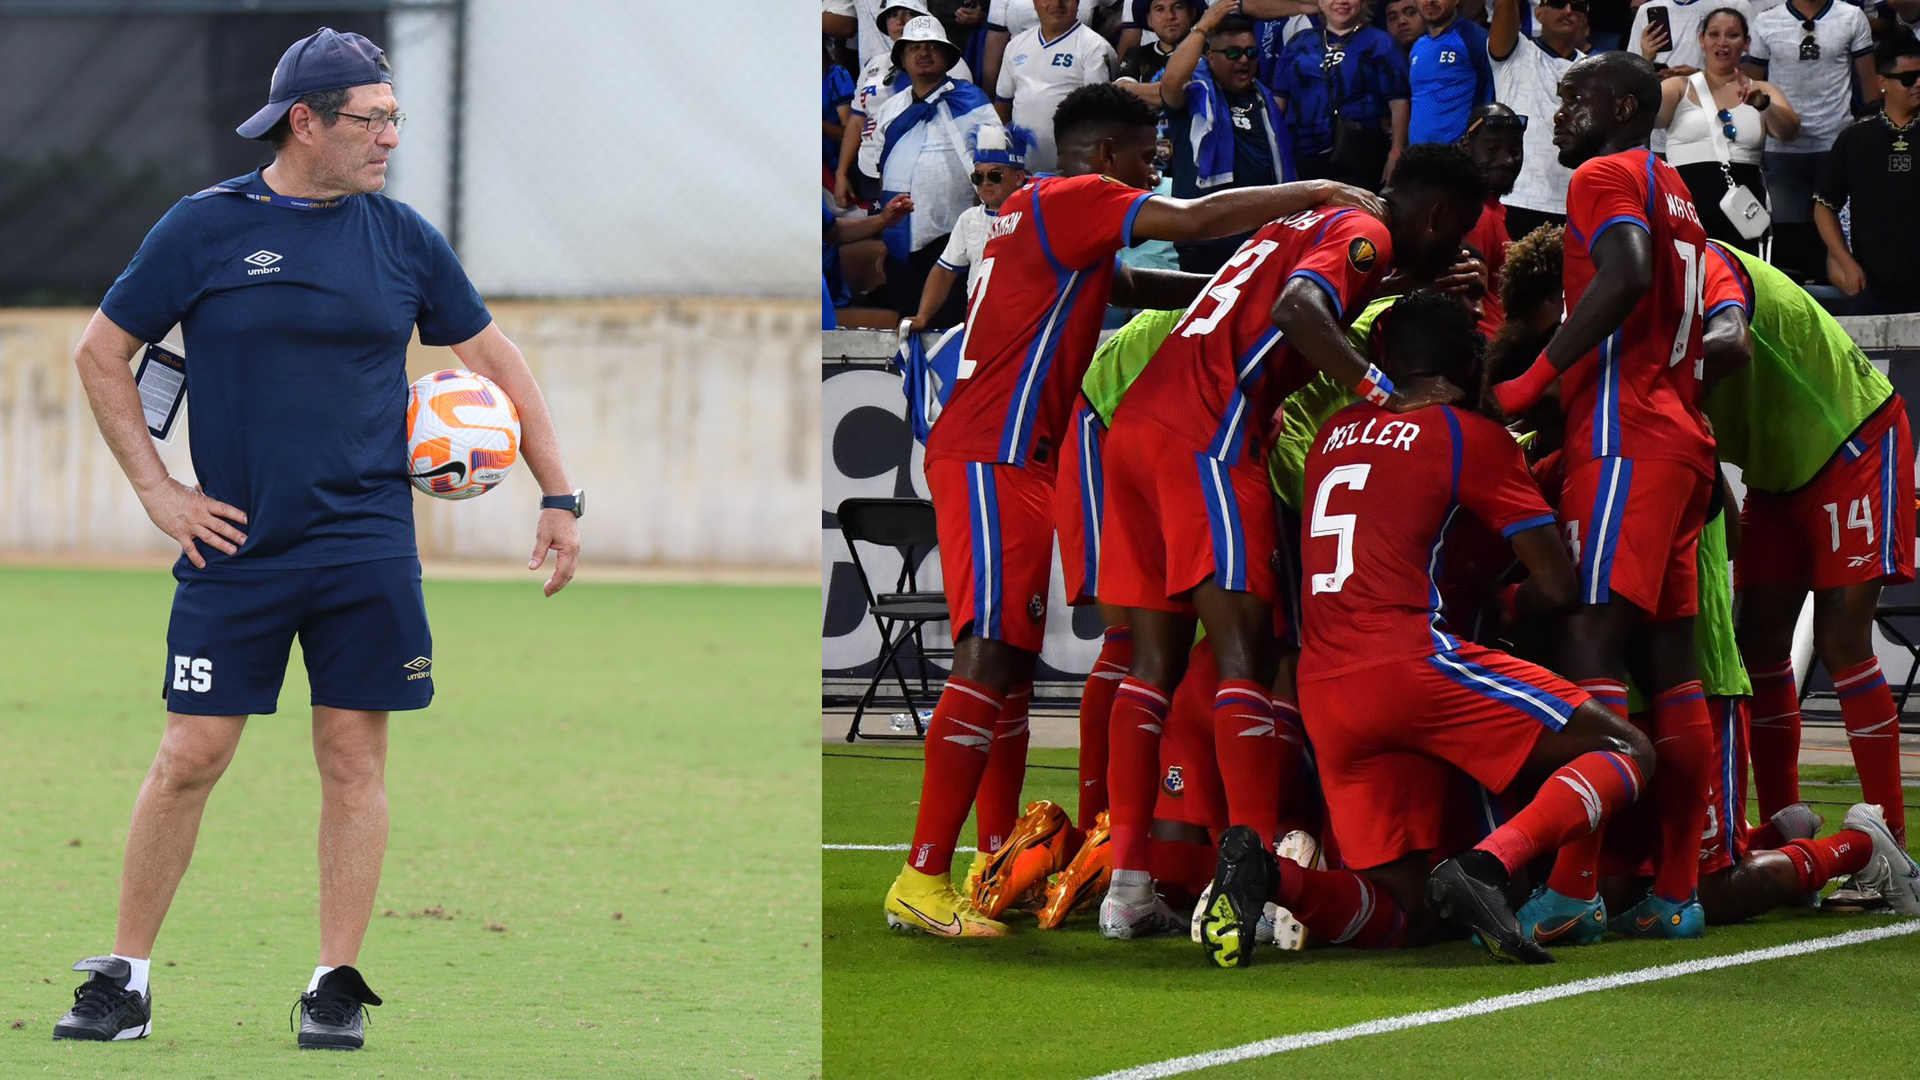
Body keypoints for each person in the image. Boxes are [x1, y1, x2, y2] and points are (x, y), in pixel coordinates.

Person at [50, 28, 582, 1050]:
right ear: (307, 122)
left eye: (395, 119)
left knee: (352, 759)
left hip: (368, 547)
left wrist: (562, 493)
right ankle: (126, 979)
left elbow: (493, 354)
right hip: (235, 549)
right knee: (189, 754)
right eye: (371, 120)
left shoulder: (402, 237)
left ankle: (334, 983)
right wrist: (161, 491)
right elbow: (100, 352)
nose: (390, 138)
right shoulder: (203, 227)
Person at [880, 83, 1384, 938]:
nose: (1155, 167)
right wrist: (1315, 195)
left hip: (1011, 454)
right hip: (995, 452)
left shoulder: (1037, 220)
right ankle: (920, 878)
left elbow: (1150, 281)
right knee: (990, 654)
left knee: (1011, 659)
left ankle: (991, 851)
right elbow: (1190, 222)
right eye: (1147, 154)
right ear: (1108, 154)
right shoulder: (1076, 198)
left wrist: (1241, 282)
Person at [1098, 144, 1485, 958]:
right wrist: (1386, 395)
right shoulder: (1367, 233)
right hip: (1210, 436)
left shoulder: (1307, 220)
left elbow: (1281, 295)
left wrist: (1401, 289)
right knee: (1249, 658)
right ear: (1441, 217)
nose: (1447, 257)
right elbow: (1300, 311)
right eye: (1451, 243)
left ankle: (1127, 888)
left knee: (1150, 668)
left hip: (1138, 431)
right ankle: (1258, 873)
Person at [1266, 289, 1657, 967]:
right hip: (1412, 664)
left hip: (1324, 689)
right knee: (1629, 751)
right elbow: (1558, 585)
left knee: (1404, 914)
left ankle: (1273, 878)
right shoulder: (1467, 436)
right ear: (1471, 362)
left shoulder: (1333, 434)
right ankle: (1489, 866)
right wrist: (1507, 603)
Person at [1491, 51, 1717, 938]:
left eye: (1574, 98)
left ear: (1624, 104)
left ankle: (1576, 887)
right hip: (1682, 438)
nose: (1560, 114)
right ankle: (1677, 893)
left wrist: (1532, 380)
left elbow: (1621, 276)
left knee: (1588, 640)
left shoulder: (1604, 173)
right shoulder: (1678, 191)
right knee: (1672, 671)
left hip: (1625, 439)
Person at [1693, 236, 1914, 847]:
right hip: (1775, 470)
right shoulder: (1632, 301)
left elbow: (1730, 342)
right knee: (1758, 642)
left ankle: (1890, 843)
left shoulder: (1707, 262)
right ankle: (1788, 826)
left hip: (1853, 436)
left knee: (1844, 639)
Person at [867, 18, 1002, 319]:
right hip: (901, 243)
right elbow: (884, 170)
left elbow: (998, 165)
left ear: (947, 57)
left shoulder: (971, 101)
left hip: (954, 237)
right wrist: (884, 234)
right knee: (906, 325)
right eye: (914, 47)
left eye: (932, 47)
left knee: (952, 325)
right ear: (902, 58)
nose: (923, 53)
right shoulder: (890, 109)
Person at [1160, 7, 1300, 274]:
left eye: (1250, 52)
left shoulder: (1265, 101)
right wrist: (1203, 27)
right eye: (1233, 53)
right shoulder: (1194, 99)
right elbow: (1171, 81)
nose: (1244, 60)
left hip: (1259, 242)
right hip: (1204, 244)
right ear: (1211, 58)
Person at [1746, 0, 1877, 284]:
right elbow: (1750, 89)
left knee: (1837, 238)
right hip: (1781, 146)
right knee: (1787, 242)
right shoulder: (1766, 22)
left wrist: (1871, 138)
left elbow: (1869, 86)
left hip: (1837, 143)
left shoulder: (1851, 16)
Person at [1655, 9, 1799, 253]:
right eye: (1714, 34)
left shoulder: (1762, 89)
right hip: (1686, 207)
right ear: (1702, 40)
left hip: (1744, 209)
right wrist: (1647, 65)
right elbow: (1645, 117)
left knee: (1741, 284)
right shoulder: (1678, 86)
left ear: (1746, 43)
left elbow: (1789, 132)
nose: (1722, 43)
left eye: (1733, 35)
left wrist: (1762, 104)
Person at [1814, 31, 1920, 315]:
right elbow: (1824, 207)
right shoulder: (1855, 140)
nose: (1918, 84)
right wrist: (1846, 262)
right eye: (1908, 78)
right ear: (1882, 82)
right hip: (1873, 285)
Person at [836, 1, 980, 209]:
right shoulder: (873, 64)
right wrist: (841, 173)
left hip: (921, 175)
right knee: (881, 234)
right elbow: (857, 120)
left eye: (909, 13)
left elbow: (964, 130)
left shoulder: (952, 65)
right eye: (893, 15)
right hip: (868, 170)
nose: (901, 21)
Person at [1269, 0, 1411, 187]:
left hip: (1360, 155)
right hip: (1302, 155)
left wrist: (1397, 151)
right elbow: (1278, 102)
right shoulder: (1298, 43)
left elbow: (1399, 100)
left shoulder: (1381, 42)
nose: (1342, 1)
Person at [907, 125, 1032, 330]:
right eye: (978, 177)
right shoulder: (969, 220)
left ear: (1018, 177)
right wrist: (922, 317)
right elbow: (944, 271)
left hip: (1028, 328)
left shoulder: (1038, 214)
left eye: (994, 176)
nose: (985, 183)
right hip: (980, 329)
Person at [1489, 0, 1584, 240]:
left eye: (1579, 6)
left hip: (1574, 205)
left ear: (1585, 21)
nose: (1569, 10)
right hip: (1518, 198)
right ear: (1538, 14)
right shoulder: (1517, 51)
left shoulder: (1596, 69)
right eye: (1558, 3)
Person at [996, 0, 1120, 172]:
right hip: (1023, 171)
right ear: (1034, 3)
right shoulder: (1015, 46)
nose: (1057, 3)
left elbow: (1100, 117)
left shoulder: (1095, 47)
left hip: (1072, 172)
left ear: (1077, 3)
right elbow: (1003, 104)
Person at [1409, 0, 1495, 146]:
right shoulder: (1418, 46)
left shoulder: (1475, 39)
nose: (1430, 1)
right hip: (1419, 158)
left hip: (1459, 157)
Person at [1115, 0, 1198, 95]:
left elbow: (1185, 95)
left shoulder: (1207, 54)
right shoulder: (1136, 55)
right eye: (1160, 9)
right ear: (1149, 19)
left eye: (1177, 7)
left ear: (1192, 13)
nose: (1169, 16)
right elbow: (1120, 93)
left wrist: (1134, 89)